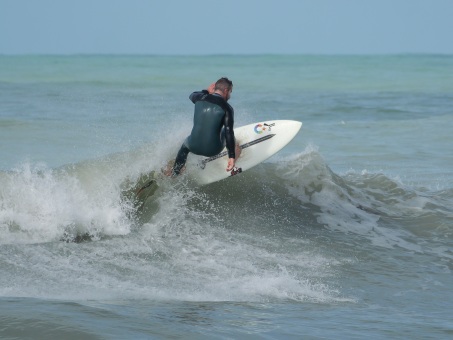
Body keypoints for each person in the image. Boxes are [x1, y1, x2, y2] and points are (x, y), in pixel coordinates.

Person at [170, 77, 239, 176]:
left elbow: (191, 95)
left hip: (193, 147)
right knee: (227, 131)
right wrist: (231, 156)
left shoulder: (199, 98)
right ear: (226, 90)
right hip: (213, 150)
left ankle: (175, 173)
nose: (230, 96)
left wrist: (206, 91)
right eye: (230, 92)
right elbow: (229, 133)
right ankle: (233, 162)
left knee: (185, 146)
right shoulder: (227, 108)